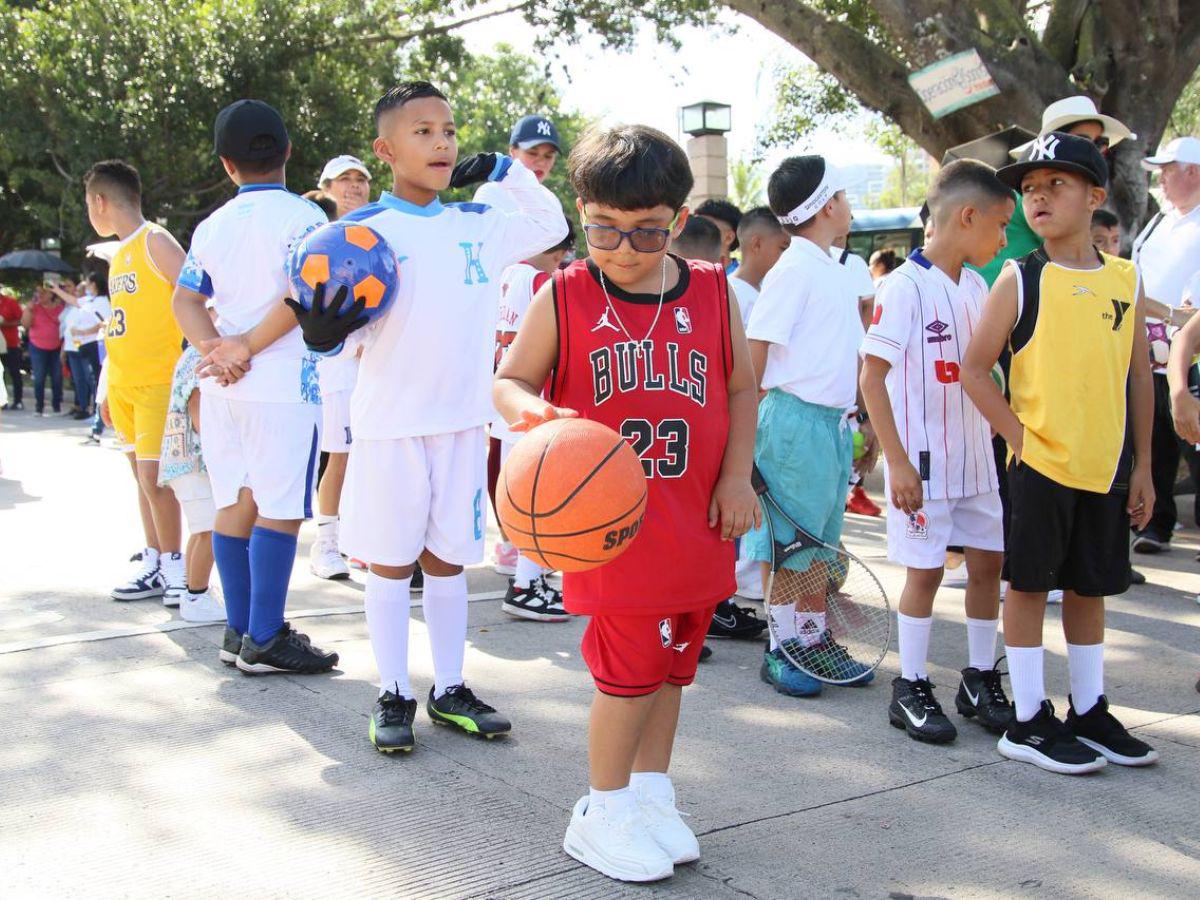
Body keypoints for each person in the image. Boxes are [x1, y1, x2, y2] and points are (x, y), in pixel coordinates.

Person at [494, 123, 759, 883]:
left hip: (698, 515)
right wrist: (530, 415)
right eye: (603, 229)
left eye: (645, 233)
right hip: (610, 528)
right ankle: (602, 809)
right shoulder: (566, 293)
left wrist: (737, 476)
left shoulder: (712, 289)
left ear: (678, 220)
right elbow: (507, 379)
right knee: (628, 672)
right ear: (582, 211)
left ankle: (649, 791)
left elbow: (741, 388)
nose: (621, 249)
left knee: (674, 666)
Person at [287, 82, 567, 752]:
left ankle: (448, 687)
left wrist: (508, 171)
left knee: (447, 562)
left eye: (448, 129)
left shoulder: (479, 223)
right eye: (423, 131)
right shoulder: (359, 236)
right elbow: (331, 336)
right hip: (388, 430)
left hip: (463, 425)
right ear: (386, 150)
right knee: (388, 564)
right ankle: (392, 691)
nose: (442, 142)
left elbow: (553, 226)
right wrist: (322, 335)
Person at [962, 132, 1158, 773]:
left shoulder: (1124, 279)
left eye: (1056, 185)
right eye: (1029, 189)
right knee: (1028, 584)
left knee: (1090, 585)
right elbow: (974, 370)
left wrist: (1144, 469)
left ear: (1096, 196)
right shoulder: (1021, 277)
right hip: (1042, 467)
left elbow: (1136, 377)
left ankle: (1090, 707)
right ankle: (1025, 718)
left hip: (1106, 466)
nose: (1039, 197)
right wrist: (1021, 441)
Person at [172, 99, 337, 674]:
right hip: (283, 382)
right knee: (281, 508)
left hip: (223, 387)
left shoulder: (212, 225)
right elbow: (306, 294)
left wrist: (214, 351)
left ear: (226, 164)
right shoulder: (307, 219)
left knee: (234, 502)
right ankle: (265, 635)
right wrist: (243, 348)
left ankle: (238, 631)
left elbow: (186, 298)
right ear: (288, 150)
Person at [860, 160, 1015, 744]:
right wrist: (897, 461)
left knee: (988, 566)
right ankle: (913, 685)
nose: (1004, 240)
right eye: (1000, 225)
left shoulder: (977, 286)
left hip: (978, 461)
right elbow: (872, 379)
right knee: (924, 573)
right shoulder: (902, 287)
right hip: (923, 467)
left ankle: (977, 677)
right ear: (967, 216)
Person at [744, 156, 879, 698]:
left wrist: (859, 421)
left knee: (821, 543)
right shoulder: (794, 271)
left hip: (828, 425)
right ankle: (782, 648)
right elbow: (754, 358)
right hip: (792, 424)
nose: (849, 204)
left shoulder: (832, 269)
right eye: (843, 196)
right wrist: (742, 441)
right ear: (827, 206)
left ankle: (812, 637)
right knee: (790, 546)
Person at [84, 161, 188, 605]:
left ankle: (178, 569)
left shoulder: (155, 241)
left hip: (157, 382)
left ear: (100, 201)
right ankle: (155, 559)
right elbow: (120, 325)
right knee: (141, 479)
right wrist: (107, 385)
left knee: (157, 480)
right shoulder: (119, 252)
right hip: (125, 383)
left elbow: (197, 294)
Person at [476, 114, 563, 576]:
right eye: (533, 153)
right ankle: (518, 551)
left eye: (548, 156)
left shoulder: (537, 198)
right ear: (512, 154)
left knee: (512, 454)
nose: (541, 162)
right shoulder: (493, 193)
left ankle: (516, 547)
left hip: (510, 328)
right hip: (495, 337)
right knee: (507, 455)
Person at [490, 223, 575, 621]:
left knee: (527, 496)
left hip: (505, 402)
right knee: (541, 499)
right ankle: (527, 584)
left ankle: (527, 578)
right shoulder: (543, 280)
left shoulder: (505, 274)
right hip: (534, 403)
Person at [1130, 136, 1200, 552]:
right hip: (1150, 348)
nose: (1162, 179)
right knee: (1153, 436)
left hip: (1190, 348)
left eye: (1168, 170)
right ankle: (1155, 524)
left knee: (1192, 439)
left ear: (1192, 171)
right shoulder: (1160, 221)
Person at [308, 154, 374, 582]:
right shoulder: (317, 238)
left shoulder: (378, 231)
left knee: (375, 454)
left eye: (360, 179)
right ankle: (326, 542)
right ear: (327, 187)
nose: (353, 185)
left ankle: (363, 541)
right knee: (341, 453)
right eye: (343, 179)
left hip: (381, 362)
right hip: (339, 362)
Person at [158, 333, 225, 623]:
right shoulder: (201, 358)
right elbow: (198, 410)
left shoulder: (191, 354)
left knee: (203, 528)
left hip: (183, 460)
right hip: (193, 460)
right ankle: (195, 596)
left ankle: (193, 591)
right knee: (209, 529)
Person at [728, 207, 788, 326]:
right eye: (783, 248)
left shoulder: (774, 287)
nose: (789, 255)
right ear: (757, 244)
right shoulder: (731, 294)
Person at [22, 286, 65, 416]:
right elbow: (25, 325)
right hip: (37, 347)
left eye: (43, 292)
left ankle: (56, 406)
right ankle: (39, 407)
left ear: (51, 294)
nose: (39, 295)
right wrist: (29, 309)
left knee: (57, 378)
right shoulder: (34, 308)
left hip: (56, 347)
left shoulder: (60, 309)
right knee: (39, 377)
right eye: (38, 292)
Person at [694, 198, 742, 270]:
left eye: (705, 228)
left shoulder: (746, 278)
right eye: (695, 226)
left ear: (729, 238)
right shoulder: (681, 273)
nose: (694, 233)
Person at [0, 287, 23, 410]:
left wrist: (6, 324)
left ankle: (18, 401)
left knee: (14, 372)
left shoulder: (10, 302)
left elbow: (21, 320)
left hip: (11, 344)